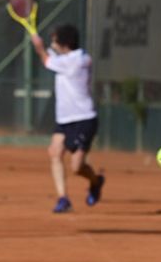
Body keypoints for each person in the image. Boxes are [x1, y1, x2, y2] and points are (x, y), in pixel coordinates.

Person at [30, 24, 105, 213]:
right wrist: (44, 47)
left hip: (84, 118)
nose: (52, 43)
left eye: (55, 41)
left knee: (77, 167)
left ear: (64, 43)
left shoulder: (79, 60)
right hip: (64, 119)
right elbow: (54, 58)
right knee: (55, 153)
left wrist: (39, 46)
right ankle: (63, 198)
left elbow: (47, 61)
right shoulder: (67, 58)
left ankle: (95, 181)